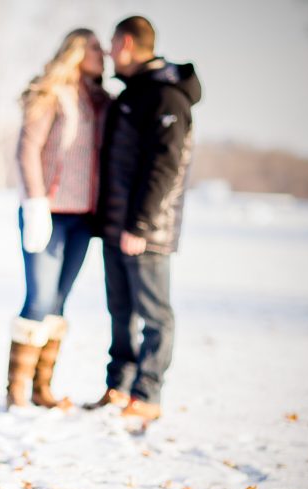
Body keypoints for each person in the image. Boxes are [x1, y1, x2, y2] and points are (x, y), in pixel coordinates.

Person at [86, 16, 202, 422]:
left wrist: (139, 225)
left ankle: (148, 394)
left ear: (129, 43)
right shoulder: (133, 93)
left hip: (145, 231)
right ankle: (119, 386)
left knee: (154, 314)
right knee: (120, 310)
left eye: (113, 45)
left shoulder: (166, 97)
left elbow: (165, 168)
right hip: (118, 227)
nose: (109, 53)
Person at [7, 28, 109, 409]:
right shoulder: (49, 94)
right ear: (76, 52)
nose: (104, 54)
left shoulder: (98, 101)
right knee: (39, 299)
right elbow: (27, 150)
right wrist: (35, 203)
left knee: (59, 302)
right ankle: (16, 392)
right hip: (46, 214)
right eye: (96, 48)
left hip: (83, 217)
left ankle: (41, 389)